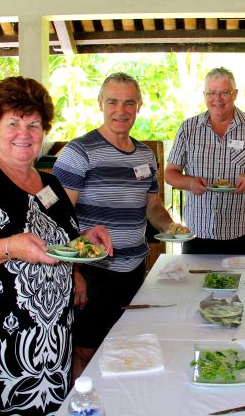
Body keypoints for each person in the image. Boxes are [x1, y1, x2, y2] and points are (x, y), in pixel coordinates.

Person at [0, 76, 112, 415]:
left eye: (34, 124)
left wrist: (85, 242)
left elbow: (58, 244)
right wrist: (9, 246)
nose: (24, 133)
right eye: (13, 122)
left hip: (48, 354)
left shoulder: (50, 184)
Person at [52, 72, 178, 380]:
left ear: (139, 106)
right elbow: (56, 217)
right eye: (112, 102)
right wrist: (75, 273)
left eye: (128, 103)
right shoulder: (78, 152)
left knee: (130, 350)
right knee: (86, 350)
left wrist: (173, 227)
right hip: (94, 274)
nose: (120, 110)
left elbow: (152, 207)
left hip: (134, 271)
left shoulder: (146, 155)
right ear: (99, 104)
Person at [165, 67, 245, 254]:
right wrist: (190, 182)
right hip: (196, 232)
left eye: (224, 92)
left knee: (241, 283)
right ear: (204, 95)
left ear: (235, 94)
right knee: (194, 283)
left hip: (239, 232)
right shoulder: (188, 128)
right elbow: (170, 174)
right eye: (211, 93)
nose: (218, 99)